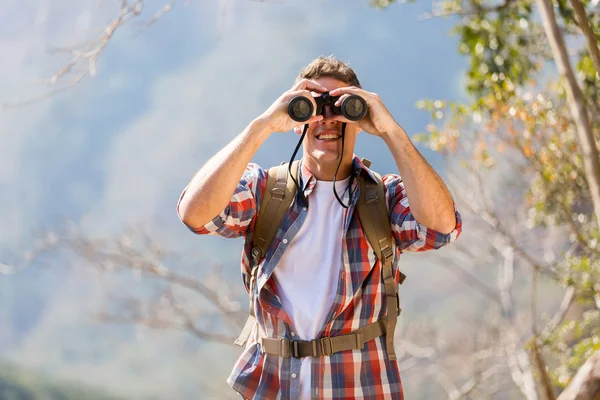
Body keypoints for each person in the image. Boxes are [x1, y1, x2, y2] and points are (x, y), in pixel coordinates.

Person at [177, 56, 462, 400]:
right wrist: (263, 125)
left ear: (359, 118)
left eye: (342, 107)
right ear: (297, 120)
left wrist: (391, 131)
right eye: (312, 107)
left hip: (361, 387)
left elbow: (442, 227)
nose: (327, 119)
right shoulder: (264, 190)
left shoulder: (385, 198)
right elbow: (195, 214)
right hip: (276, 388)